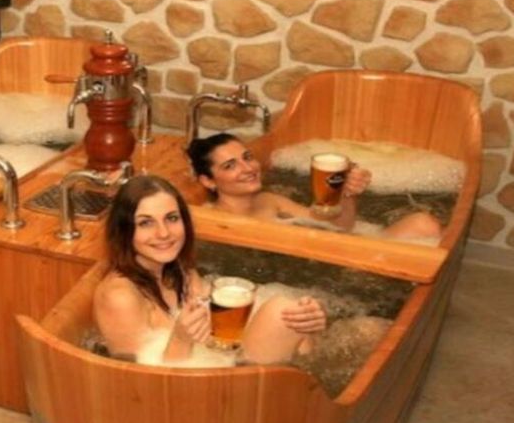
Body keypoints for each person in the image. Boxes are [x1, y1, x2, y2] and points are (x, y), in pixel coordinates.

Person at [92, 175, 326, 367]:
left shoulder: (180, 272)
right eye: (145, 223)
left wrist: (308, 323)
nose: (163, 233)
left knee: (291, 314)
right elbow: (140, 384)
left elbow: (221, 336)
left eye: (171, 218)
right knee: (281, 311)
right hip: (182, 399)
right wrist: (181, 339)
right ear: (123, 230)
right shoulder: (119, 297)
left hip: (218, 374)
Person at [186, 133, 441, 240]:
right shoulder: (212, 220)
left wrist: (345, 193)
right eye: (230, 166)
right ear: (208, 181)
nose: (248, 168)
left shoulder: (268, 200)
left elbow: (338, 226)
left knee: (423, 223)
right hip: (288, 278)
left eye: (247, 157)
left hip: (321, 263)